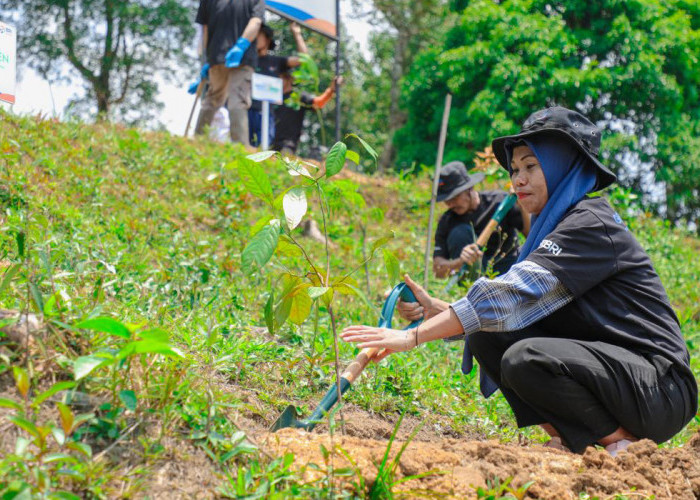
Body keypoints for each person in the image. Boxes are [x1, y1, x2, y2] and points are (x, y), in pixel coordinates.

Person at [341, 106, 698, 456]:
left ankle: (622, 443)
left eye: (531, 166)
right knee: (487, 336)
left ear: (564, 167)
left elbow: (512, 295)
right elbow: (511, 310)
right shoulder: (555, 226)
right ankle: (573, 438)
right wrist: (436, 311)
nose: (517, 180)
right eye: (514, 169)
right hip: (619, 377)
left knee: (528, 357)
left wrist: (412, 336)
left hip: (660, 387)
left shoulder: (590, 223)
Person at [433, 161, 529, 279]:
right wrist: (460, 261)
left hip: (509, 272)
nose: (451, 204)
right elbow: (438, 271)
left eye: (455, 197)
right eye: (447, 200)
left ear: (470, 188)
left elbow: (530, 235)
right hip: (473, 283)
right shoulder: (447, 221)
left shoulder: (500, 203)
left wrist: (522, 205)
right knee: (459, 233)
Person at [193, 0, 265, 146]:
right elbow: (256, 22)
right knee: (237, 99)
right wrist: (242, 44)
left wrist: (206, 59)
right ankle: (239, 147)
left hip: (217, 56)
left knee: (212, 99)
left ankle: (198, 141)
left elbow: (204, 31)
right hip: (242, 57)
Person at [248, 22, 308, 147]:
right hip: (247, 111)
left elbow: (304, 59)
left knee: (263, 148)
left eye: (259, 35)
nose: (255, 37)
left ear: (267, 39)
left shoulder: (276, 61)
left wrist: (297, 34)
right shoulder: (247, 60)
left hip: (266, 113)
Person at [272, 76, 342, 154]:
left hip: (287, 144)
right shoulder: (273, 96)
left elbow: (318, 103)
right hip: (269, 142)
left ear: (290, 79)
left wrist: (331, 90)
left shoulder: (298, 96)